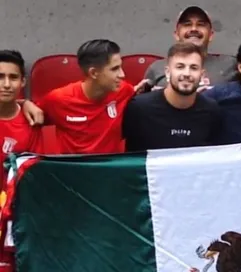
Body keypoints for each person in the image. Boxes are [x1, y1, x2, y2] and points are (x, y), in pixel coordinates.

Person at [23, 39, 142, 154]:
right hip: (72, 170)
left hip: (108, 170)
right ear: (93, 73)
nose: (122, 74)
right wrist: (24, 103)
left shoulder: (124, 91)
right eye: (115, 69)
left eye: (121, 67)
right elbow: (25, 115)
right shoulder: (59, 99)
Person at [123, 42, 221, 151]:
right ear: (168, 72)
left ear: (202, 75)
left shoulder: (212, 110)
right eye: (180, 67)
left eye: (193, 68)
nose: (187, 73)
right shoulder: (139, 108)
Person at [0, 50, 44, 272]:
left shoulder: (31, 121)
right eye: (0, 77)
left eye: (13, 77)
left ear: (23, 81)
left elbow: (32, 174)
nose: (6, 84)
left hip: (14, 215)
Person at [144, 6, 237, 90]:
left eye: (201, 24)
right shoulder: (157, 67)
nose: (193, 29)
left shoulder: (230, 64)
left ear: (211, 35)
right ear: (176, 34)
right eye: (187, 24)